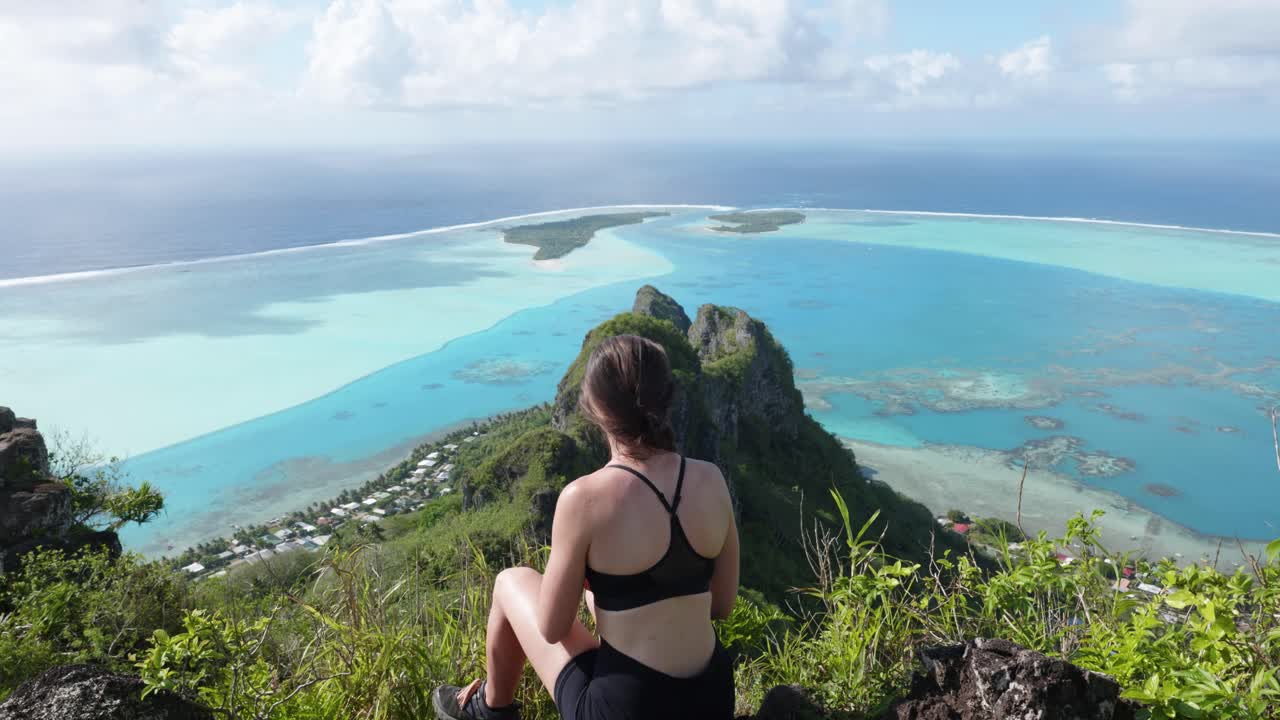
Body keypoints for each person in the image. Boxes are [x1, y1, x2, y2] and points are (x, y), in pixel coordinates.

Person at [433, 334, 740, 720]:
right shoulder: (711, 479)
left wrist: (592, 583)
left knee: (510, 581)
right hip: (711, 698)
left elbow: (552, 626)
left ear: (594, 408)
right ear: (668, 396)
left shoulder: (584, 498)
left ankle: (490, 708)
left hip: (626, 708)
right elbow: (722, 604)